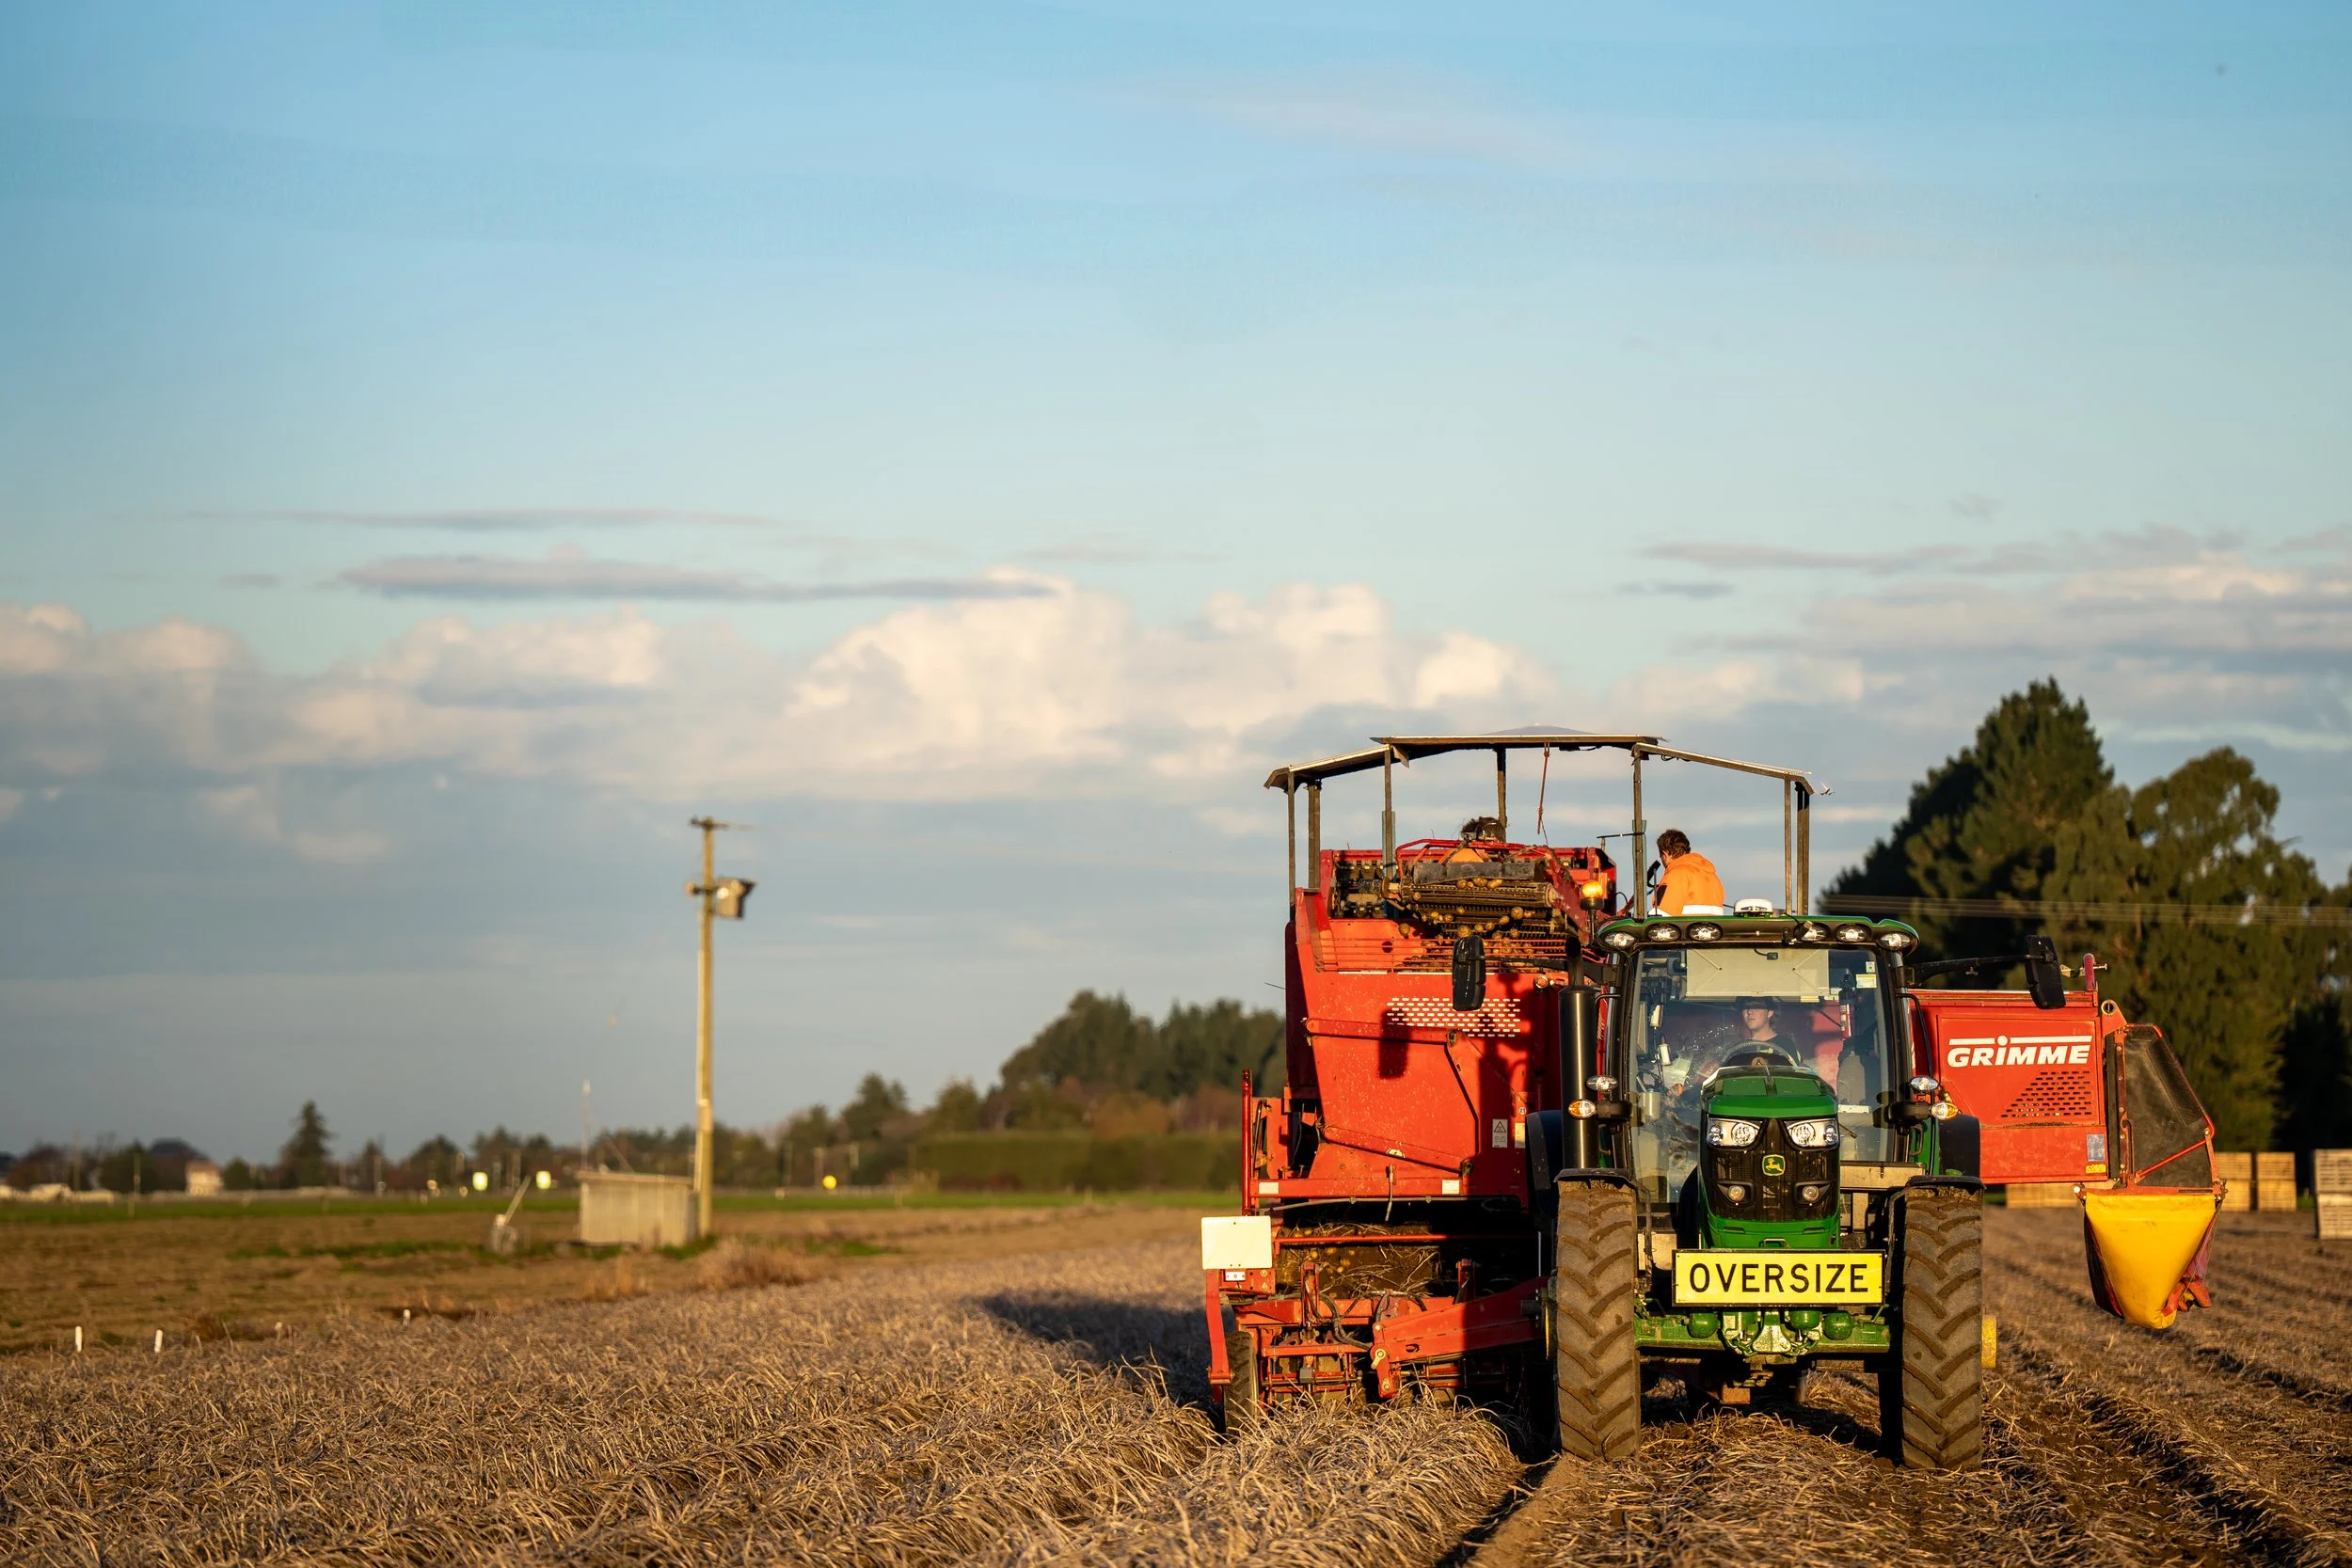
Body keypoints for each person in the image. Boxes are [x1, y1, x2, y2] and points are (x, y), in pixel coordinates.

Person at [1650, 829, 1724, 913]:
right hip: (1713, 926)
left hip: (1685, 927)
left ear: (1665, 854)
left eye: (1661, 856)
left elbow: (1663, 916)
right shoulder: (1713, 877)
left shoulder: (1675, 876)